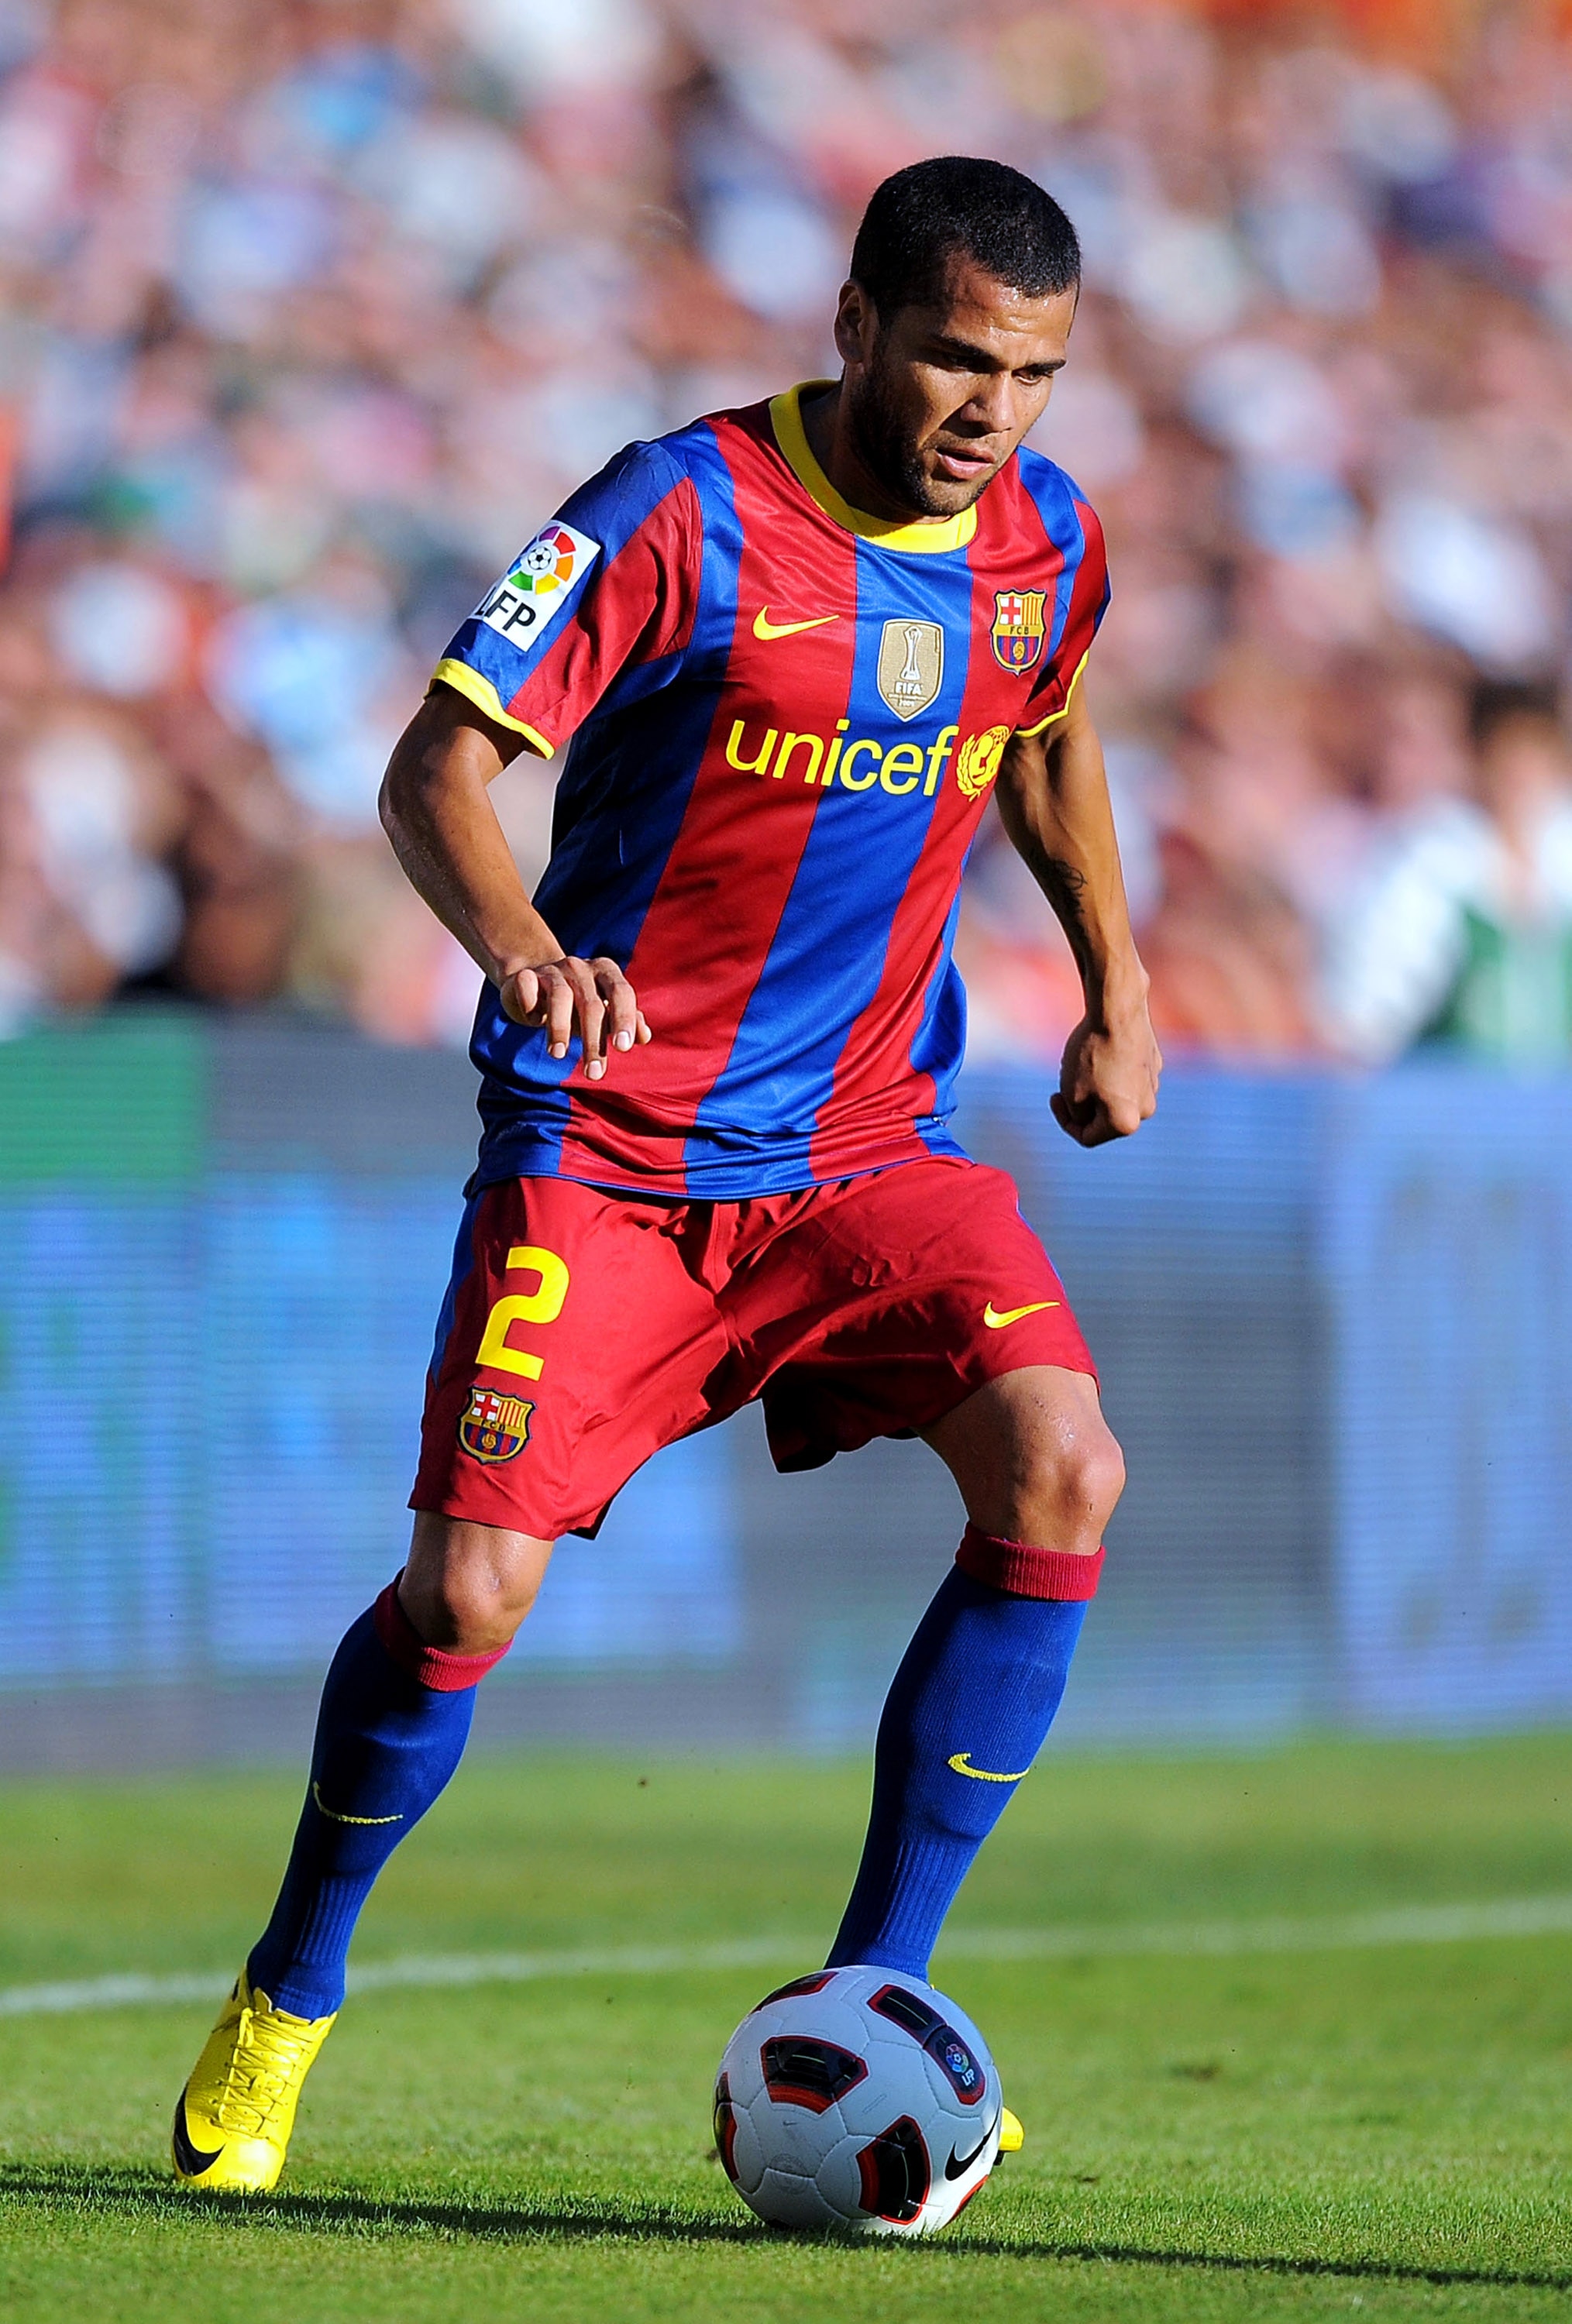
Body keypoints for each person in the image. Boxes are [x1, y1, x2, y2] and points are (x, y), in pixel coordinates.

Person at [170, 155, 1161, 2195]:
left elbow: (1043, 734)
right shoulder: (675, 509)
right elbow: (435, 765)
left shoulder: (1045, 540)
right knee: (465, 1594)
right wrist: (530, 954)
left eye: (1035, 373)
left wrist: (1113, 987)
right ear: (855, 324)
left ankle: (872, 2000)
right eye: (959, 357)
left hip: (870, 1140)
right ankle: (290, 1990)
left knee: (1062, 1468)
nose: (992, 409)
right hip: (610, 1152)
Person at [1322, 677, 1572, 1064]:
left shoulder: (1561, 862)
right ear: (1480, 758)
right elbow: (1368, 1014)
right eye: (1512, 757)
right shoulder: (1430, 869)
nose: (1525, 776)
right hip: (1453, 1111)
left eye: (1539, 757)